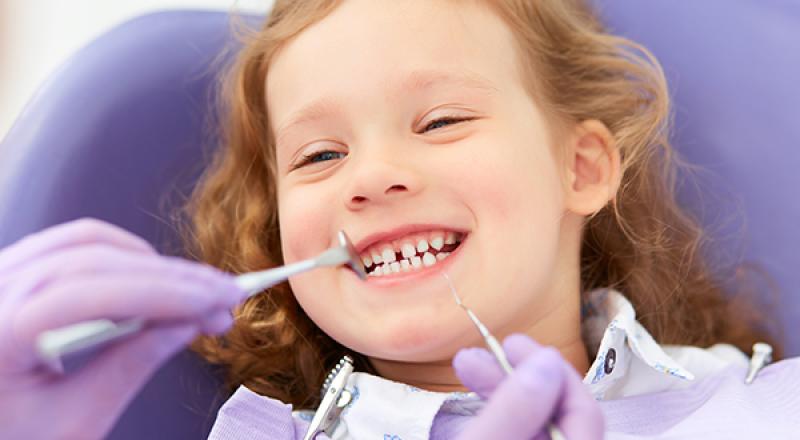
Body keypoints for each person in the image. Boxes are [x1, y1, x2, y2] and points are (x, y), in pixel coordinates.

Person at [2, 0, 799, 439]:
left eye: (442, 121)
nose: (373, 178)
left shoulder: (766, 408)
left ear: (581, 167)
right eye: (319, 157)